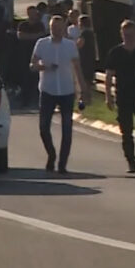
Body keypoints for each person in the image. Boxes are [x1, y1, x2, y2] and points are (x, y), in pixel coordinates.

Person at [30, 15, 82, 174]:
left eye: (59, 28)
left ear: (64, 28)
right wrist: (43, 66)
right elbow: (32, 64)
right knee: (44, 127)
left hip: (67, 91)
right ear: (50, 28)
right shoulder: (42, 44)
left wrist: (83, 88)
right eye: (53, 28)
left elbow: (77, 68)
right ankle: (51, 154)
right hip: (48, 90)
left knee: (67, 128)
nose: (56, 31)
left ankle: (62, 164)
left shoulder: (70, 46)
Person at [104, 20, 135, 173]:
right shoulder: (115, 53)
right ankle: (130, 161)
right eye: (125, 34)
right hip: (123, 97)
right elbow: (109, 75)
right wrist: (108, 96)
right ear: (121, 34)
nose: (128, 37)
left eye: (130, 34)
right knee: (126, 131)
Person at [74, 14, 98, 104]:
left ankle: (85, 100)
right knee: (87, 80)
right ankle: (87, 99)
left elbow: (79, 45)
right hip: (90, 59)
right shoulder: (91, 33)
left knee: (84, 81)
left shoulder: (84, 33)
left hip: (84, 60)